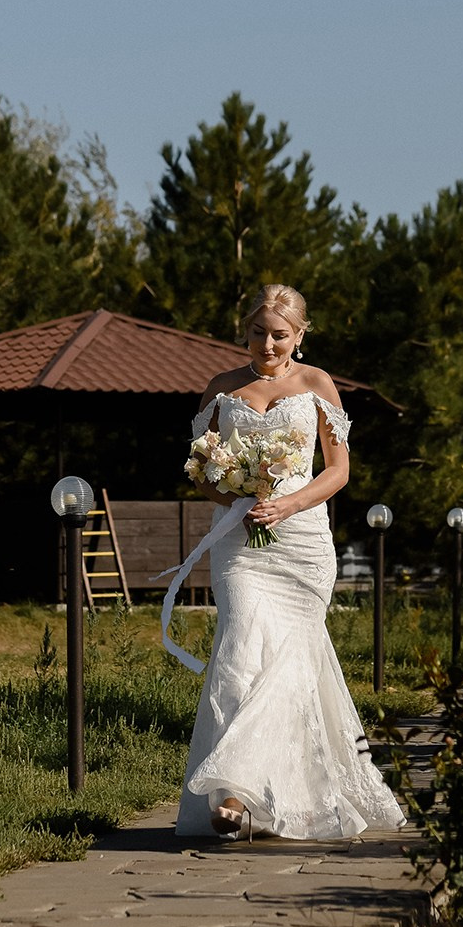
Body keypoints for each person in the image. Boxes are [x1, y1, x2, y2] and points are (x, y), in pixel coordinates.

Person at [169, 283, 406, 841]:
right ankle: (230, 791)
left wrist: (288, 504)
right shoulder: (222, 388)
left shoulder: (317, 384)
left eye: (280, 335)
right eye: (258, 333)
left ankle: (283, 796)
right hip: (239, 542)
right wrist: (239, 498)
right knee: (239, 644)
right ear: (244, 332)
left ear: (300, 336)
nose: (268, 345)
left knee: (289, 663)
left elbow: (337, 470)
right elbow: (200, 470)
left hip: (301, 543)